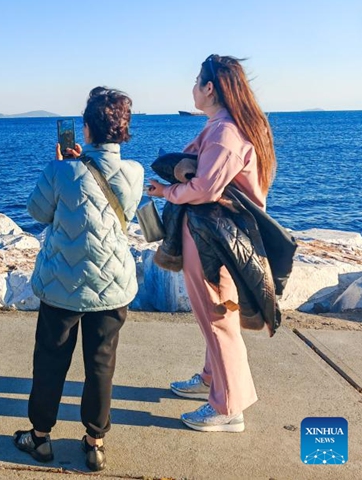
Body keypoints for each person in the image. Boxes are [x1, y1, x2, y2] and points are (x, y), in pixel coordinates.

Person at [14, 87, 144, 472]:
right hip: (112, 286)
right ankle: (95, 442)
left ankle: (39, 439)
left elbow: (38, 211)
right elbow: (126, 209)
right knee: (101, 363)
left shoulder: (60, 171)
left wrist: (63, 167)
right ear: (123, 131)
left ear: (86, 129)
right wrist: (80, 165)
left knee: (50, 361)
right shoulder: (134, 172)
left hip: (61, 285)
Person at [147, 55, 278, 433]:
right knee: (215, 312)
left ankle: (228, 406)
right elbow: (192, 165)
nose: (192, 87)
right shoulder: (221, 127)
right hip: (215, 235)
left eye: (196, 80)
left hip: (215, 240)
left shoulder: (225, 133)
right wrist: (179, 174)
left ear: (209, 88)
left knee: (218, 316)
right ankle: (211, 379)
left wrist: (169, 190)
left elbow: (204, 188)